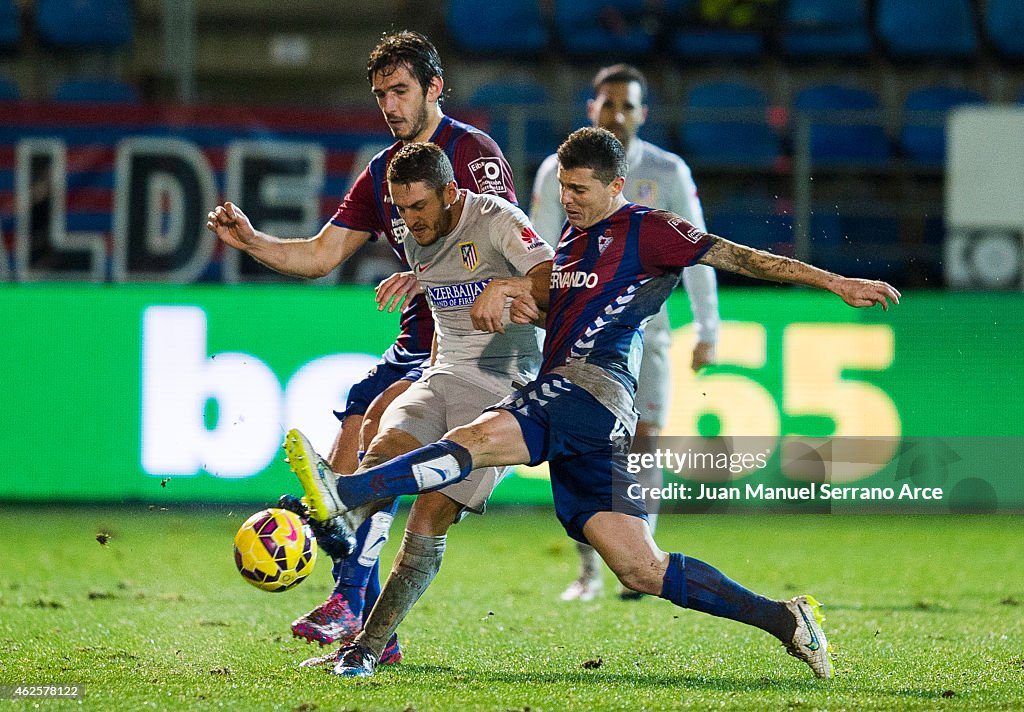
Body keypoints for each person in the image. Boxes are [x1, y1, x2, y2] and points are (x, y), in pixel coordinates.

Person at [285, 127, 901, 679]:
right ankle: (788, 620)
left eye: (580, 188)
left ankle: (346, 494)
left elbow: (741, 257)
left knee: (476, 441)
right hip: (584, 413)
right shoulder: (573, 243)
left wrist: (834, 281)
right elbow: (554, 300)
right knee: (639, 568)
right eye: (563, 185)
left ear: (616, 185)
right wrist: (517, 297)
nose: (569, 198)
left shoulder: (649, 229)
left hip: (590, 389)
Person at [205, 30, 517, 660]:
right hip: (424, 337)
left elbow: (505, 246)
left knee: (374, 431)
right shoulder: (382, 174)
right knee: (363, 426)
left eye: (401, 91)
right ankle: (365, 609)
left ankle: (352, 596)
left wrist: (427, 273)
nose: (390, 107)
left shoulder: (472, 152)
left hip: (480, 349)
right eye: (380, 96)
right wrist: (254, 241)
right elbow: (321, 253)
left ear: (434, 89)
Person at [294, 141, 552, 669]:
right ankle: (336, 532)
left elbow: (556, 278)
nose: (408, 221)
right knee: (384, 453)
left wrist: (506, 286)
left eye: (418, 208)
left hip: (504, 388)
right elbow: (442, 310)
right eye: (400, 209)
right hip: (444, 372)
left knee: (430, 510)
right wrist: (420, 382)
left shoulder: (498, 219)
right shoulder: (417, 240)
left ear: (451, 193)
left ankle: (368, 645)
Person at [531, 63, 718, 602]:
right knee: (581, 445)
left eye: (627, 105)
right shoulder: (556, 171)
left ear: (643, 114)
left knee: (645, 438)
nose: (617, 114)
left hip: (649, 330)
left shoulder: (669, 171)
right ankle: (589, 570)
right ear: (591, 109)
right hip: (577, 335)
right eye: (607, 104)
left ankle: (643, 559)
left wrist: (708, 326)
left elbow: (700, 252)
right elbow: (538, 250)